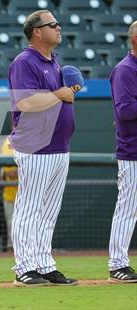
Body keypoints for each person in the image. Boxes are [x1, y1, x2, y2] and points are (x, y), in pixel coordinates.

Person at [8, 10, 78, 287]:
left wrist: (66, 93)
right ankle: (24, 267)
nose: (59, 28)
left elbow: (55, 100)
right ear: (37, 31)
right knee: (29, 208)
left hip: (59, 145)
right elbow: (25, 103)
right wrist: (59, 95)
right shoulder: (25, 62)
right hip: (36, 146)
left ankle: (44, 264)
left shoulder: (54, 62)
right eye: (53, 24)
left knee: (49, 211)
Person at [108, 20, 137, 283]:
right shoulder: (126, 70)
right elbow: (125, 112)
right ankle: (117, 264)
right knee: (128, 208)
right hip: (133, 152)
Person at [0, 137, 17, 250]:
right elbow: (7, 172)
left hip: (28, 196)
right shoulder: (6, 142)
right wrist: (7, 172)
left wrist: (19, 171)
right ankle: (11, 250)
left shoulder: (32, 138)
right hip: (10, 194)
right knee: (11, 224)